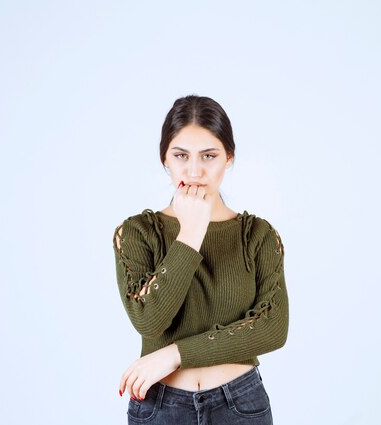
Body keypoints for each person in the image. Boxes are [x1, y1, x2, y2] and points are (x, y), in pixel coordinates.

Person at [112, 95, 289, 424]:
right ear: (165, 159)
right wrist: (191, 232)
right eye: (181, 155)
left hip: (240, 404)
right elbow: (149, 320)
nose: (194, 171)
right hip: (160, 408)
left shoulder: (258, 235)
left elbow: (272, 329)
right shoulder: (137, 232)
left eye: (209, 155)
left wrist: (176, 355)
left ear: (229, 158)